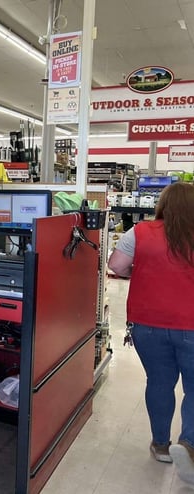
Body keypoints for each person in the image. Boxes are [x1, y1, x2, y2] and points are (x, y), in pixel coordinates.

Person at [107, 182, 194, 480]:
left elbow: (116, 266)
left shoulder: (140, 232)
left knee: (159, 382)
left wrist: (141, 271)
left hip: (147, 324)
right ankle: (189, 444)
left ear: (163, 205)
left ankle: (160, 445)